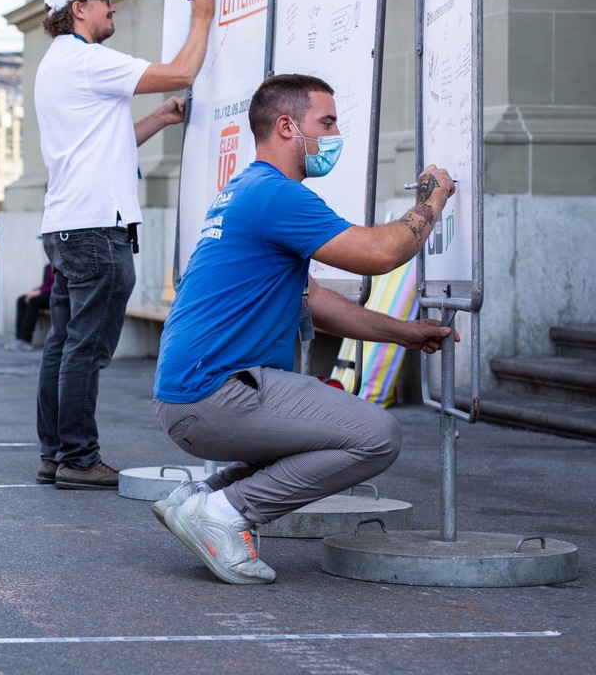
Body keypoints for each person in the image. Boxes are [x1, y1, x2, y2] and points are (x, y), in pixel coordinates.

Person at [151, 73, 458, 584]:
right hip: (215, 395)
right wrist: (431, 201)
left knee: (326, 430)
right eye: (328, 122)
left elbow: (313, 299)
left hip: (192, 395)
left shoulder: (247, 188)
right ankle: (226, 513)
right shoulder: (276, 194)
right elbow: (380, 254)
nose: (336, 134)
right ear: (288, 126)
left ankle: (203, 499)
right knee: (376, 436)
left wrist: (402, 332)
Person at [34, 0, 216, 490]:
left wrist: (157, 119)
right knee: (85, 349)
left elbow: (103, 143)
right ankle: (77, 458)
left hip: (69, 223)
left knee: (65, 344)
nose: (112, 7)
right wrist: (201, 16)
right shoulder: (88, 61)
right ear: (77, 9)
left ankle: (56, 454)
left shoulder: (57, 66)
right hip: (95, 228)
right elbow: (183, 70)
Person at [4, 262, 55, 352]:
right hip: (46, 293)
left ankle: (25, 340)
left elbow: (57, 285)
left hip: (56, 295)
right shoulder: (47, 266)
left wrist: (38, 292)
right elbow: (45, 284)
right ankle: (19, 338)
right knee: (22, 300)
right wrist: (33, 292)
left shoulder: (60, 263)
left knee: (33, 301)